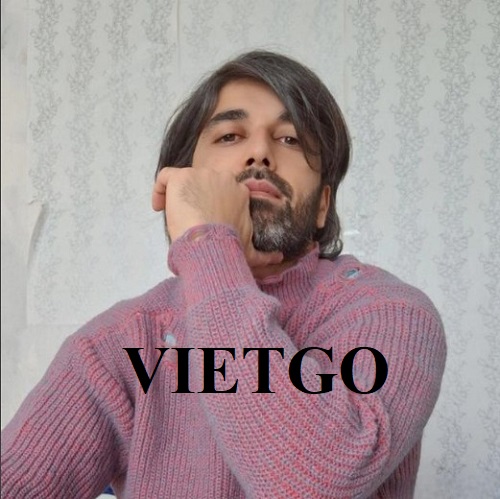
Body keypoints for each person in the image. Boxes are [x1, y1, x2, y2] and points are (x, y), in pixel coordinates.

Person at [1, 50, 446, 498]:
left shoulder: (391, 314)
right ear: (184, 183)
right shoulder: (119, 344)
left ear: (322, 206)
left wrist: (209, 247)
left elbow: (313, 485)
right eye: (230, 135)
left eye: (290, 139)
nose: (260, 153)